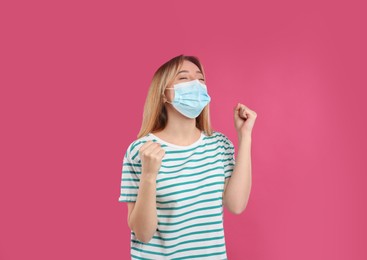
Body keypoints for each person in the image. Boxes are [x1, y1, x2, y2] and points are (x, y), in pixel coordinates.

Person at [118, 54, 257, 259]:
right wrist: (148, 176)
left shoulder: (219, 145)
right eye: (184, 78)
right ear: (163, 93)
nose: (196, 84)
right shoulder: (141, 151)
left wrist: (245, 136)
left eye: (200, 79)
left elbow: (236, 205)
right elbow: (143, 233)